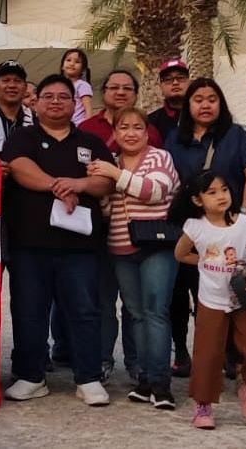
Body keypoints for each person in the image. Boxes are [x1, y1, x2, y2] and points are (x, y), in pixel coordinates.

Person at [0, 74, 116, 406]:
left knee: (84, 310)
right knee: (28, 310)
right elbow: (20, 168)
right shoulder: (22, 137)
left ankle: (88, 377)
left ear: (74, 103)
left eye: (63, 97)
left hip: (80, 247)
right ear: (35, 103)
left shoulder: (91, 142)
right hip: (30, 244)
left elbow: (106, 181)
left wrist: (79, 185)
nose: (55, 102)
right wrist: (59, 186)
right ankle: (31, 376)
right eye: (47, 96)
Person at [162, 77, 246, 376]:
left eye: (212, 99)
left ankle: (228, 351)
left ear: (221, 103)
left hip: (224, 228)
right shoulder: (175, 138)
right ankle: (181, 350)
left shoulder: (235, 135)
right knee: (179, 292)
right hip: (187, 227)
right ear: (188, 105)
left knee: (223, 288)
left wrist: (244, 214)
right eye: (198, 99)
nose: (205, 105)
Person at [87, 107, 179, 410]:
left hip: (157, 246)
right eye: (123, 127)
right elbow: (107, 210)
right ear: (115, 132)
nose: (130, 133)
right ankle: (144, 379)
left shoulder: (159, 157)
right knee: (136, 313)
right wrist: (101, 192)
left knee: (156, 311)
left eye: (137, 127)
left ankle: (161, 382)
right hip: (121, 247)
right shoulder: (111, 162)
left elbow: (155, 191)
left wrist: (114, 175)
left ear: (147, 132)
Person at [172, 170, 246, 430]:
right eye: (212, 192)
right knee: (207, 355)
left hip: (243, 298)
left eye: (224, 189)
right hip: (211, 299)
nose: (221, 196)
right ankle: (203, 404)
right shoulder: (195, 226)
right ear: (197, 200)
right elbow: (180, 254)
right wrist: (204, 261)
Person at [79, 69, 163, 151]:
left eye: (127, 88)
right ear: (103, 92)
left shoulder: (150, 132)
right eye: (114, 87)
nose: (121, 92)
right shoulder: (86, 128)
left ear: (136, 94)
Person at [146, 59, 190, 144]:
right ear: (160, 86)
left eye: (180, 78)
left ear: (189, 82)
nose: (175, 82)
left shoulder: (201, 115)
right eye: (168, 79)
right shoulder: (151, 122)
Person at [61, 48, 94, 124]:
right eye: (68, 60)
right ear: (62, 66)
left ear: (83, 69)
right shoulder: (61, 86)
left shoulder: (82, 85)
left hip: (78, 125)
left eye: (77, 62)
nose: (72, 64)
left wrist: (87, 125)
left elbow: (88, 109)